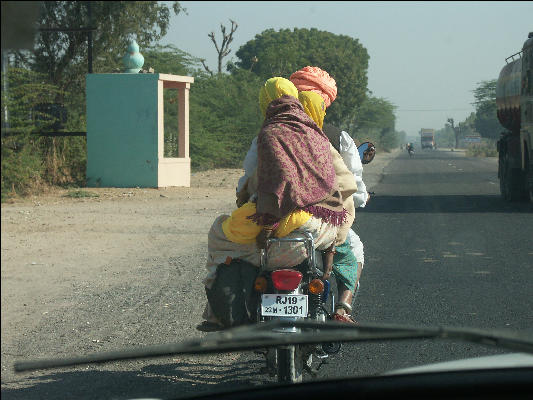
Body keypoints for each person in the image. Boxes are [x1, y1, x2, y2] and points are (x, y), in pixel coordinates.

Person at [204, 78, 356, 328]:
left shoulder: (269, 133)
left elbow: (268, 182)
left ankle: (216, 311)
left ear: (266, 102)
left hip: (278, 219)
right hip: (317, 223)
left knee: (219, 234)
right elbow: (345, 184)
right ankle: (342, 305)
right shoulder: (317, 135)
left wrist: (260, 216)